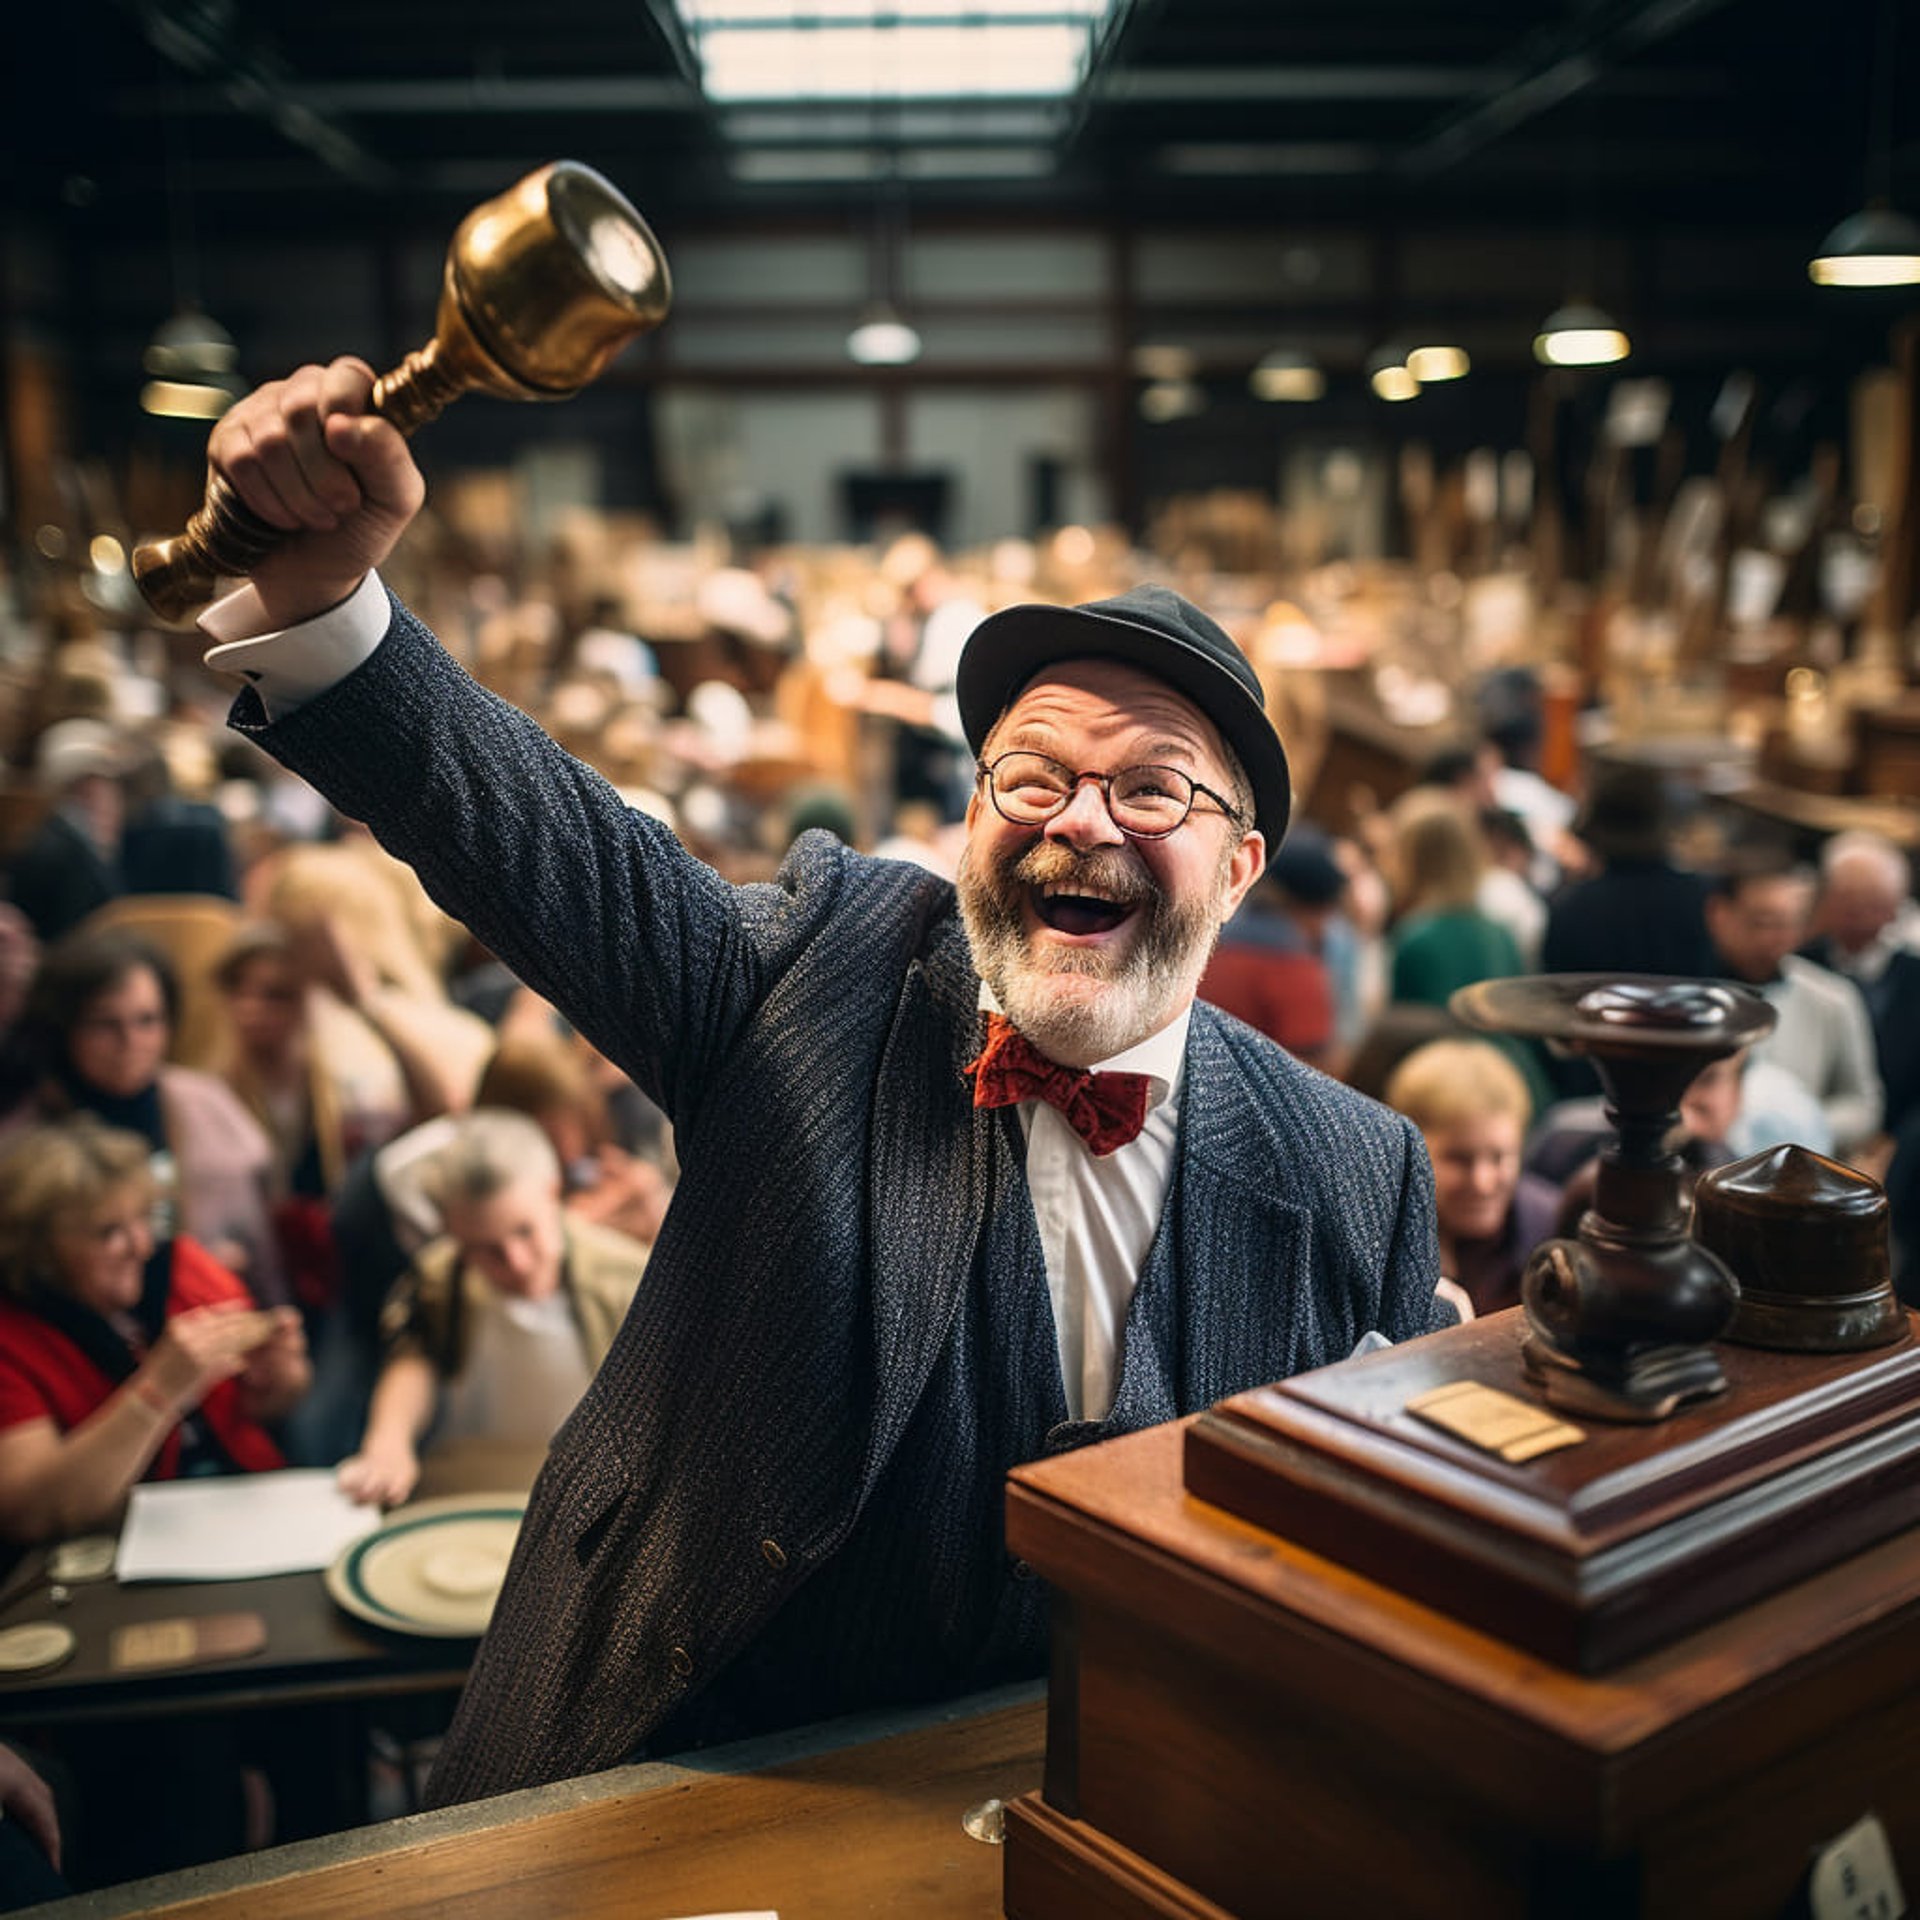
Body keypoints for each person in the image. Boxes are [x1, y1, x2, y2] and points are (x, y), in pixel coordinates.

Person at [192, 356, 1447, 1806]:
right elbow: (547, 846)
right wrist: (333, 610)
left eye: (1152, 785)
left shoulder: (1359, 1173)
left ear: (1237, 870)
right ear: (971, 813)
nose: (1076, 821)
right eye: (1028, 775)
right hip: (683, 1760)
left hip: (1097, 1806)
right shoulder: (817, 975)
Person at [0, 1116, 309, 1544]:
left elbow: (262, 1407)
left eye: (145, 1219)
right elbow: (31, 1515)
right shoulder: (12, 1338)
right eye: (109, 1233)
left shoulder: (181, 1267)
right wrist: (157, 1392)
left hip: (245, 1513)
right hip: (113, 1549)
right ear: (38, 1248)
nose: (141, 1246)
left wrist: (279, 1381)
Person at [337, 1111, 650, 1507]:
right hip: (465, 1487)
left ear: (552, 1192)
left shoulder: (630, 1279)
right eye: (487, 1249)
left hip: (582, 1498)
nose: (516, 1262)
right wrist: (388, 1442)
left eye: (525, 1231)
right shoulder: (440, 1277)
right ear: (453, 1232)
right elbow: (414, 1358)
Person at [9, 929, 287, 1302]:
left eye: (147, 1020)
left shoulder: (203, 1102)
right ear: (64, 1028)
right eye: (106, 1024)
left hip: (214, 1311)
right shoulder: (25, 1138)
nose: (131, 1043)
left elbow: (263, 1247)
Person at [1705, 863, 1882, 1158]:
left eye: (1790, 924)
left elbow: (1864, 1106)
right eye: (1763, 922)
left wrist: (1792, 1123)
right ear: (1720, 914)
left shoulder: (1832, 998)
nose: (1778, 938)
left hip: (1801, 1171)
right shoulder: (1691, 998)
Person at [1384, 1039, 1558, 1316]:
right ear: (1406, 1152)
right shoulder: (1379, 1246)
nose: (1482, 1183)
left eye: (1499, 1157)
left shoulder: (1554, 1228)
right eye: (1459, 1159)